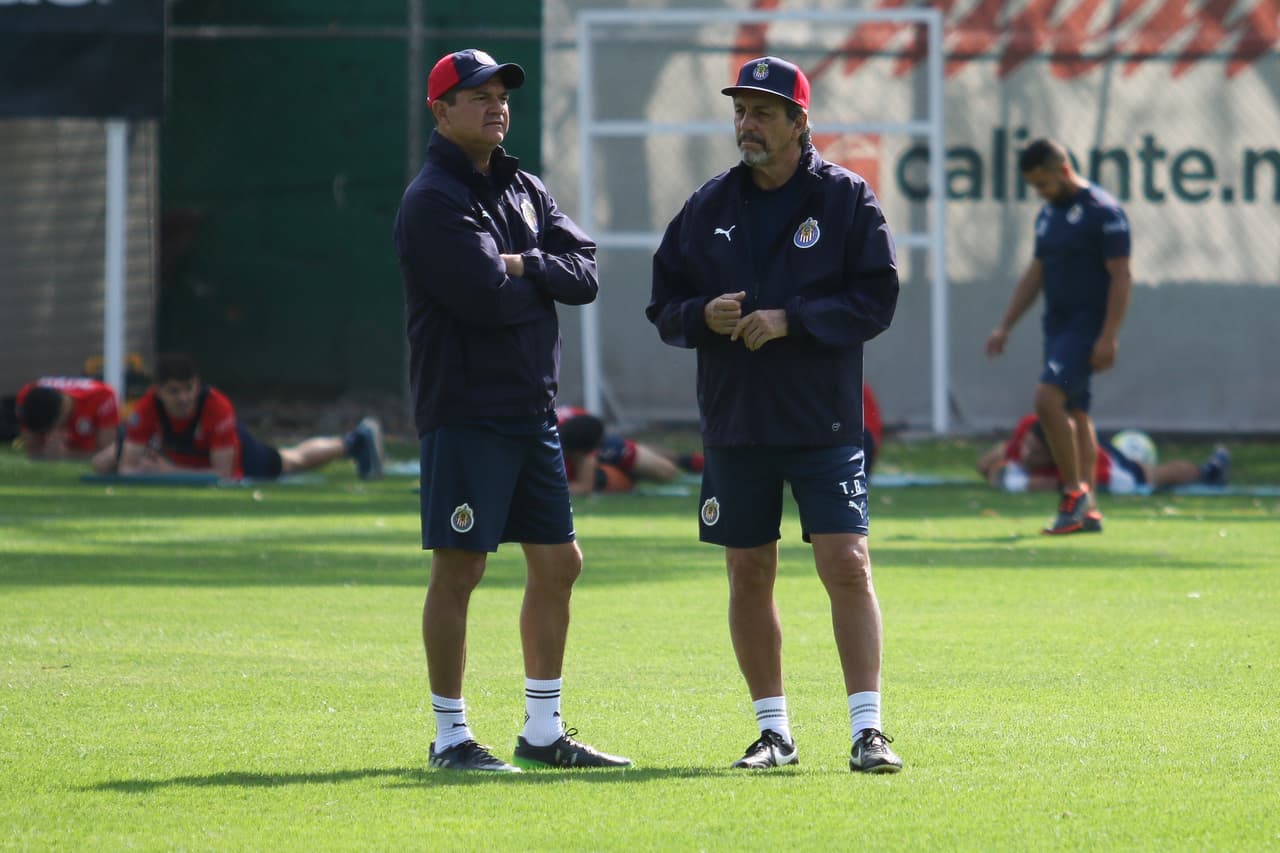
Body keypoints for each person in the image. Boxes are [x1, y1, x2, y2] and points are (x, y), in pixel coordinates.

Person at [647, 56, 903, 773]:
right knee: (748, 570)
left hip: (822, 420)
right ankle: (774, 732)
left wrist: (795, 319)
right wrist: (706, 313)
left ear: (800, 122)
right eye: (741, 110)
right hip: (737, 422)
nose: (747, 124)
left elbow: (876, 300)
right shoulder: (707, 207)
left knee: (846, 563)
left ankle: (868, 729)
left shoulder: (848, 200)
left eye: (763, 111)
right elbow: (663, 305)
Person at [393, 48, 630, 773]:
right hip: (468, 411)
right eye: (477, 95)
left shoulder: (523, 186)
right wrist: (535, 277)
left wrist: (524, 263)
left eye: (501, 94)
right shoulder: (434, 198)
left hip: (532, 411)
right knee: (459, 570)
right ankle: (449, 735)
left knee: (560, 563)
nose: (496, 105)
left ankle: (541, 729)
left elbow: (585, 272)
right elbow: (482, 299)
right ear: (441, 110)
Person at [985, 137, 1133, 535]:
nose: (1040, 192)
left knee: (1046, 399)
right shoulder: (1049, 215)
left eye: (1043, 183)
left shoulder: (1103, 212)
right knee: (1076, 414)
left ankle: (1073, 492)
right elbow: (1037, 273)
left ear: (1063, 170)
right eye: (1034, 186)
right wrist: (1005, 325)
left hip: (1087, 327)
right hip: (1058, 325)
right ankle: (1090, 511)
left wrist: (1109, 336)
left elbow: (1121, 276)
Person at [118, 353, 383, 482]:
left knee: (291, 460)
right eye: (174, 392)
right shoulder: (146, 408)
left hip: (240, 455)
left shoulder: (216, 407)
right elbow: (126, 468)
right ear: (158, 392)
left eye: (189, 389)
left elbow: (224, 475)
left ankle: (352, 441)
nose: (184, 398)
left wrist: (167, 472)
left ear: (197, 385)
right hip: (194, 459)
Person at [977, 414, 1230, 496]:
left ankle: (1209, 471)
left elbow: (1049, 484)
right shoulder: (1030, 428)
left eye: (1035, 452)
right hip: (1081, 442)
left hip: (1111, 466)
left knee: (1150, 477)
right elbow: (987, 466)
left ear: (1056, 457)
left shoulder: (1092, 471)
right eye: (1026, 445)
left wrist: (1010, 479)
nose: (1026, 453)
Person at [555, 405, 704, 495]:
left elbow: (584, 487)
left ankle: (685, 460)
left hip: (601, 443)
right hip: (581, 435)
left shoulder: (581, 445)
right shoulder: (549, 435)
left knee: (666, 473)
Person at [15, 377, 121, 474]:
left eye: (50, 428)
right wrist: (44, 453)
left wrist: (67, 455)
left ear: (64, 410)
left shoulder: (102, 396)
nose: (50, 433)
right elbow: (33, 450)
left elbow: (108, 454)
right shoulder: (28, 396)